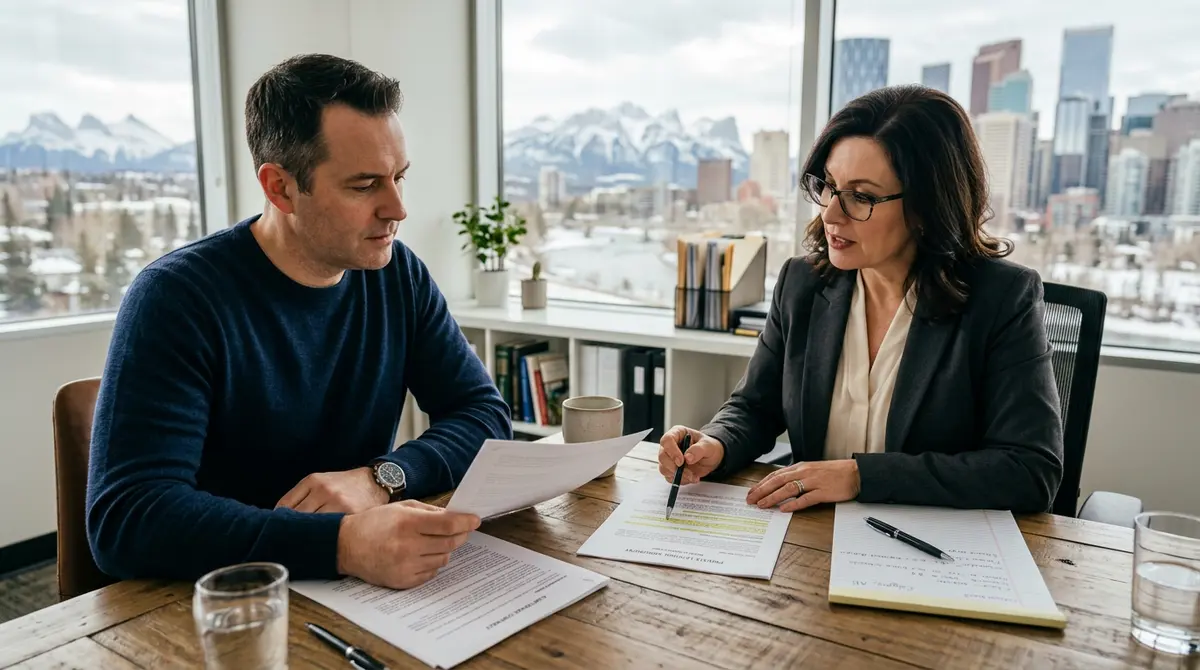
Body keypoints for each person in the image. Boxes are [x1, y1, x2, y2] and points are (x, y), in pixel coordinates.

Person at [86, 54, 512, 590]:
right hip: (219, 602)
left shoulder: (397, 273)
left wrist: (381, 479)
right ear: (280, 188)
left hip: (361, 588)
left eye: (400, 177)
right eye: (364, 186)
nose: (397, 208)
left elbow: (483, 414)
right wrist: (342, 545)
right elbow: (127, 519)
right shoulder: (177, 297)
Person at [657, 85, 1064, 514]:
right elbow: (755, 407)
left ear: (929, 205)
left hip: (934, 551)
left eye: (862, 196)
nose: (831, 213)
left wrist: (858, 476)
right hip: (811, 538)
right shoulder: (802, 283)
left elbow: (1030, 469)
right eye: (829, 187)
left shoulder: (1000, 298)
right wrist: (717, 443)